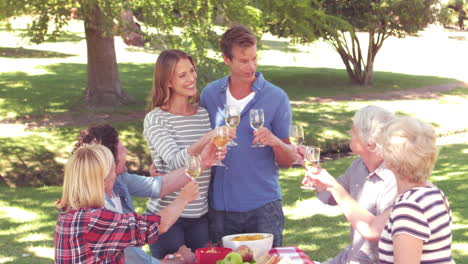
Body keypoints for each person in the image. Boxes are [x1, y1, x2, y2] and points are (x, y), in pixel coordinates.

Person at [200, 25, 296, 247]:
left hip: (264, 206)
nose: (251, 66)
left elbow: (288, 161)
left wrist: (274, 141)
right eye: (244, 61)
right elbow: (199, 142)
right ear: (227, 59)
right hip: (221, 208)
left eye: (254, 58)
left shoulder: (277, 97)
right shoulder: (211, 95)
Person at [310, 117, 454, 263]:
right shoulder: (432, 193)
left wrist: (333, 187)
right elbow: (372, 227)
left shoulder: (409, 208)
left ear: (390, 161)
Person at [74, 124, 222, 264]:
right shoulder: (100, 207)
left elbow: (160, 185)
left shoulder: (119, 180)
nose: (126, 151)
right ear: (109, 160)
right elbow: (153, 229)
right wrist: (183, 199)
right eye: (121, 149)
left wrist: (202, 162)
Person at [144, 49, 233, 258]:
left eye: (192, 71)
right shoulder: (156, 119)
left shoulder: (202, 114)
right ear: (167, 82)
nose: (191, 78)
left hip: (200, 215)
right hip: (168, 216)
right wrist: (207, 137)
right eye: (182, 75)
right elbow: (175, 162)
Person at [55, 144, 199, 264]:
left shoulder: (70, 214)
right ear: (102, 180)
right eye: (112, 171)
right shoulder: (96, 220)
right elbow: (156, 225)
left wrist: (173, 259)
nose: (115, 176)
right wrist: (183, 198)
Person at [302, 105, 397, 264]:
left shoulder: (394, 179)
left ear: (371, 143)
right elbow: (333, 196)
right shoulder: (358, 165)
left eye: (355, 129)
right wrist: (309, 164)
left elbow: (376, 232)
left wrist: (332, 185)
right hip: (350, 257)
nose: (350, 131)